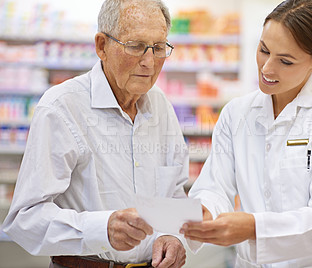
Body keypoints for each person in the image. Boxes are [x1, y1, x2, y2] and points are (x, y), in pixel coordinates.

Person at [180, 0, 312, 267]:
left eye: (286, 61)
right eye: (263, 50)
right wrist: (205, 209)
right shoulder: (237, 113)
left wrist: (253, 227)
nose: (267, 68)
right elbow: (215, 184)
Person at [2, 0, 188, 267]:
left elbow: (176, 193)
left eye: (159, 48)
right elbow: (25, 218)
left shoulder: (161, 106)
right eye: (136, 46)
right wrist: (101, 229)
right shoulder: (62, 107)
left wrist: (174, 235)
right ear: (102, 46)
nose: (149, 62)